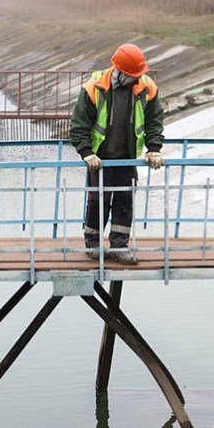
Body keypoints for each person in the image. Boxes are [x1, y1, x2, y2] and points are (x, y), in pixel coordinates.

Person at [68, 43, 166, 266]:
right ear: (119, 72)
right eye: (132, 76)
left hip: (127, 157)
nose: (136, 79)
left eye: (138, 75)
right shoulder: (95, 88)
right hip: (100, 160)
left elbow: (154, 121)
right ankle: (92, 244)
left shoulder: (146, 88)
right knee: (97, 200)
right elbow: (78, 124)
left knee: (124, 200)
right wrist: (86, 152)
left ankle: (119, 246)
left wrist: (154, 149)